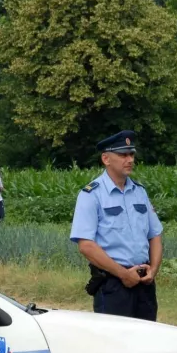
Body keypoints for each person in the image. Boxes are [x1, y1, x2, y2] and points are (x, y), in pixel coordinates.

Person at [70, 130, 163, 321]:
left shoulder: (139, 192)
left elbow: (155, 235)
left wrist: (153, 270)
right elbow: (86, 245)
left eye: (131, 154)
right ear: (106, 159)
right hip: (113, 285)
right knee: (116, 347)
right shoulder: (91, 194)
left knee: (149, 344)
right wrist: (123, 274)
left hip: (144, 283)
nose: (129, 159)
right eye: (122, 155)